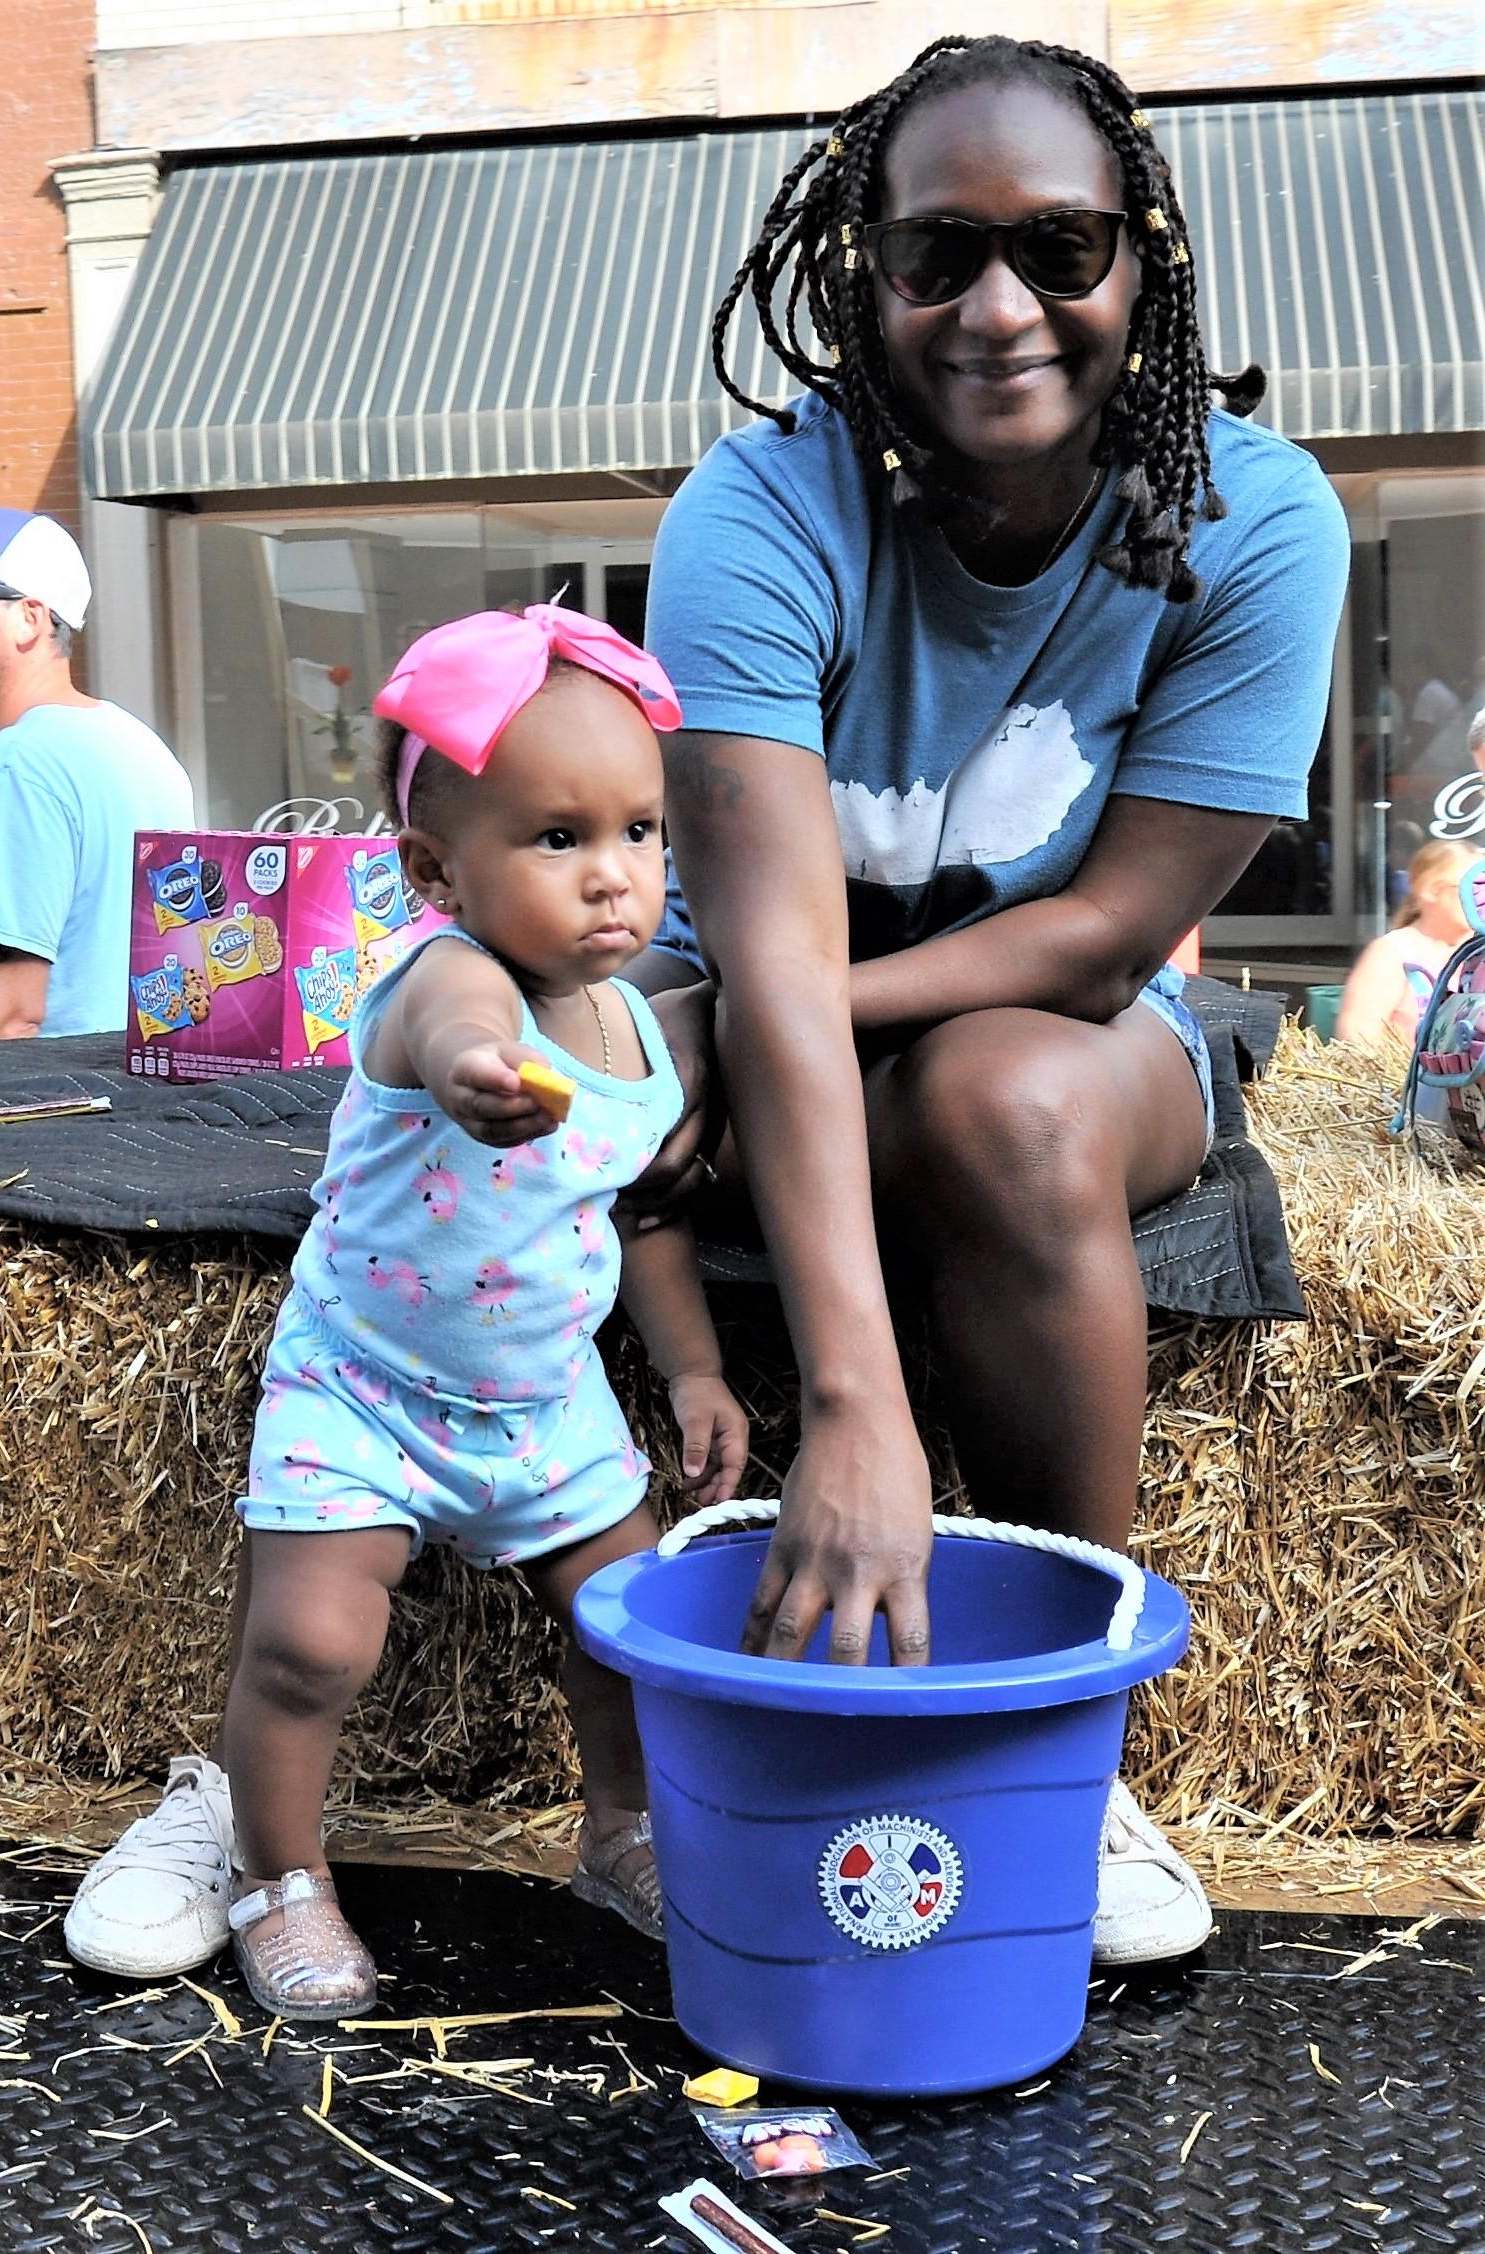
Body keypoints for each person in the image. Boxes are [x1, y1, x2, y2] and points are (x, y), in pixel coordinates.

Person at [631, 33, 1350, 1966]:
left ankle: (1074, 1730)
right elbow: (748, 949)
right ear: (857, 273)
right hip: (769, 1012)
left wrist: (849, 1396)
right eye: (938, 252)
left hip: (1077, 1043)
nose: (1001, 306)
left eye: (1062, 247)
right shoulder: (755, 515)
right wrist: (845, 1395)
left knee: (991, 1096)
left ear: (1147, 264)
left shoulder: (1254, 518)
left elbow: (1108, 934)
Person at [67, 605, 748, 2009]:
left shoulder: (639, 1033)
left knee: (624, 1621)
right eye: (557, 839)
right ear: (437, 867)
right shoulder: (451, 982)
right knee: (312, 1642)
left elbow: (640, 1214)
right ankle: (276, 1872)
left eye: (638, 832)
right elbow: (450, 1039)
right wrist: (475, 1075)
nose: (612, 876)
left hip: (542, 1401)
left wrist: (688, 1373)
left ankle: (617, 1826)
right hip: (362, 1386)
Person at [0, 508, 192, 1038]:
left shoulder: (17, 764)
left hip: (52, 1108)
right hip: (143, 1103)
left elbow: (9, 1021)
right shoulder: (140, 746)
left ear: (30, 617)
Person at [1338, 840, 1478, 1050]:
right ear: (1431, 891)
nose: (1481, 898)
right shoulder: (1391, 953)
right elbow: (1357, 1040)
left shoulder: (1479, 953)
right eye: (1474, 887)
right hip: (1407, 1081)